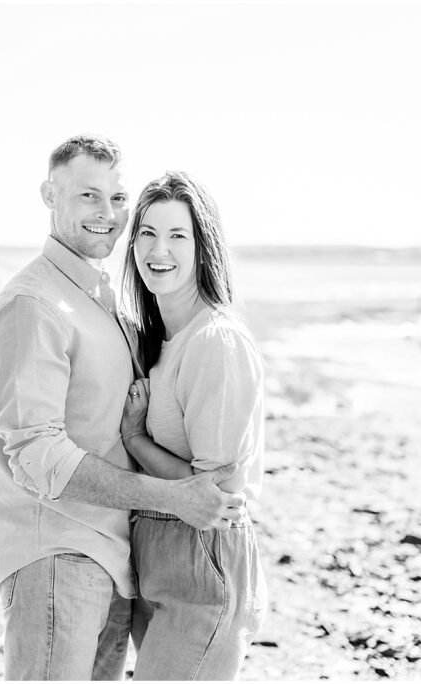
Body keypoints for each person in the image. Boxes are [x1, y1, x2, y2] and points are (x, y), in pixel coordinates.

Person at [0, 136, 246, 681]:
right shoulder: (33, 305)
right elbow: (36, 454)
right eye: (88, 196)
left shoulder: (105, 303)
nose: (107, 215)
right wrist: (172, 496)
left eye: (118, 198)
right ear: (49, 195)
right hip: (55, 553)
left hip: (114, 561)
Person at [120, 170, 268, 680]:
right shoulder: (162, 341)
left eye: (177, 235)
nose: (158, 249)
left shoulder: (215, 342)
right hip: (159, 553)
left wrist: (135, 439)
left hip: (203, 557)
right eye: (147, 232)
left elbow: (217, 492)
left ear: (204, 247)